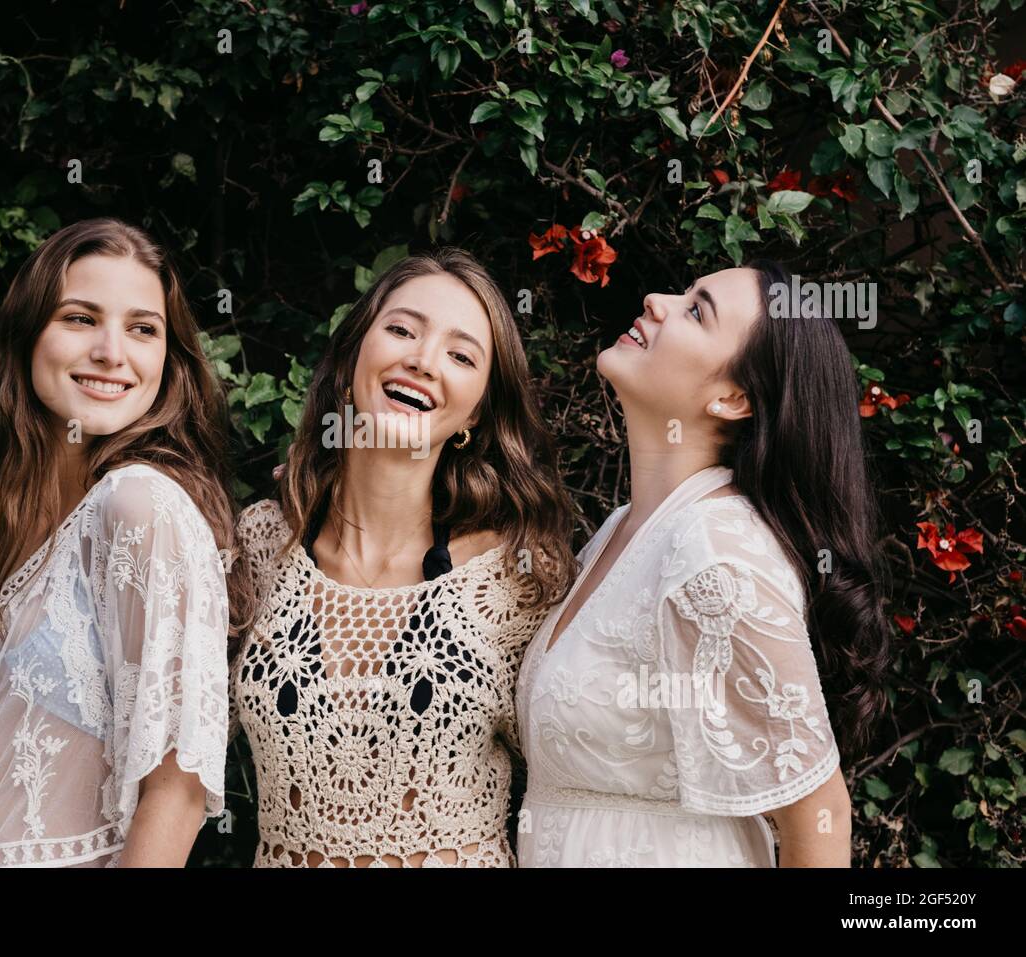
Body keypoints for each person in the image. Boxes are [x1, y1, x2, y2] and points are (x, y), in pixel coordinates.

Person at [0, 218, 249, 867]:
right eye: (80, 318)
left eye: (142, 328)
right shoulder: (0, 540)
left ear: (168, 357)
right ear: (27, 337)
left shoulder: (140, 506)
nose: (111, 351)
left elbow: (178, 789)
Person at [517, 261, 889, 867]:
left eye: (696, 310)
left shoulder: (715, 552)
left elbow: (818, 816)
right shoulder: (625, 529)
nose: (656, 299)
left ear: (733, 397)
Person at [231, 248, 578, 866]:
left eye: (461, 354)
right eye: (401, 330)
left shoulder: (517, 576)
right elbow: (166, 750)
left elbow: (578, 783)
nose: (421, 360)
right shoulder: (260, 543)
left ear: (475, 413)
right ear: (350, 360)